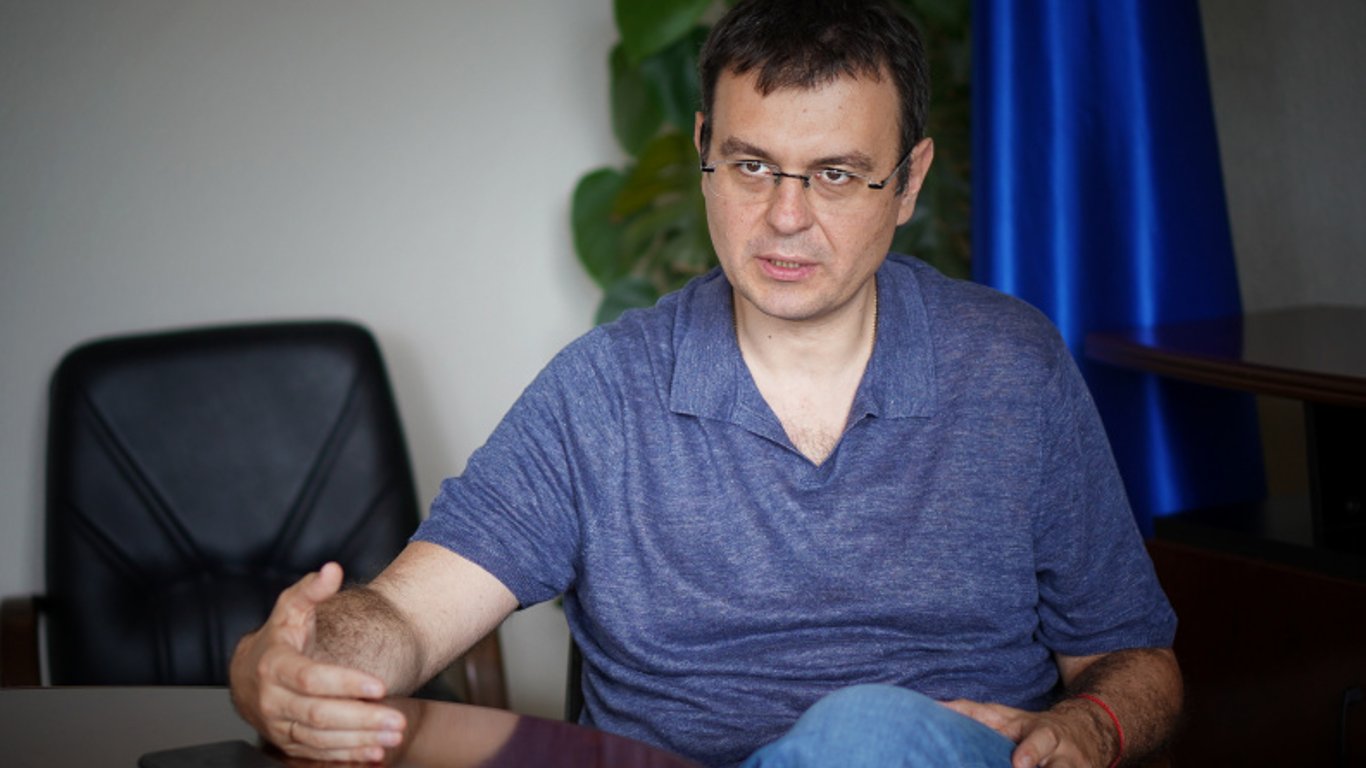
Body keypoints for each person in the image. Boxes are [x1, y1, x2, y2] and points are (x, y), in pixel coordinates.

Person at [230, 1, 1181, 766]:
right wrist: (289, 666)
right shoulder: (604, 391)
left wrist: (1092, 729)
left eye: (837, 175)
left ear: (909, 181)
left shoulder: (1011, 365)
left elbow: (1136, 661)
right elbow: (404, 617)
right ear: (704, 150)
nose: (785, 217)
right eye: (752, 165)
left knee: (866, 737)